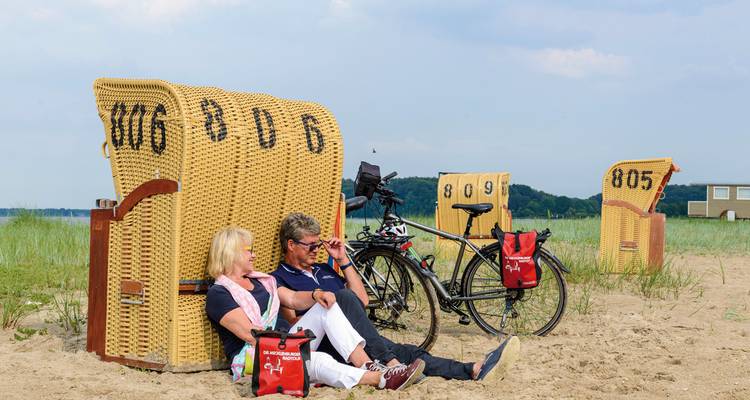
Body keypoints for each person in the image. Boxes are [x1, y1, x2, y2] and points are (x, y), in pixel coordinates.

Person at [271, 212, 520, 381]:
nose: (317, 250)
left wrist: (343, 260)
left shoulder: (323, 270)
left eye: (318, 244)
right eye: (311, 246)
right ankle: (388, 362)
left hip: (362, 338)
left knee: (411, 353)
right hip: (332, 345)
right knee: (347, 301)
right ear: (291, 245)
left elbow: (362, 302)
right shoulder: (280, 278)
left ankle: (472, 370)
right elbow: (294, 324)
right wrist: (322, 302)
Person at [204, 227, 425, 391]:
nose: (254, 255)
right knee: (316, 359)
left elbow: (291, 298)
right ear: (231, 253)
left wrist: (315, 295)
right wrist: (292, 348)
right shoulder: (219, 294)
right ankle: (381, 380)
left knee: (326, 307)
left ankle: (368, 364)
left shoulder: (262, 281)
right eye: (248, 251)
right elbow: (251, 335)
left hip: (282, 341)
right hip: (257, 356)